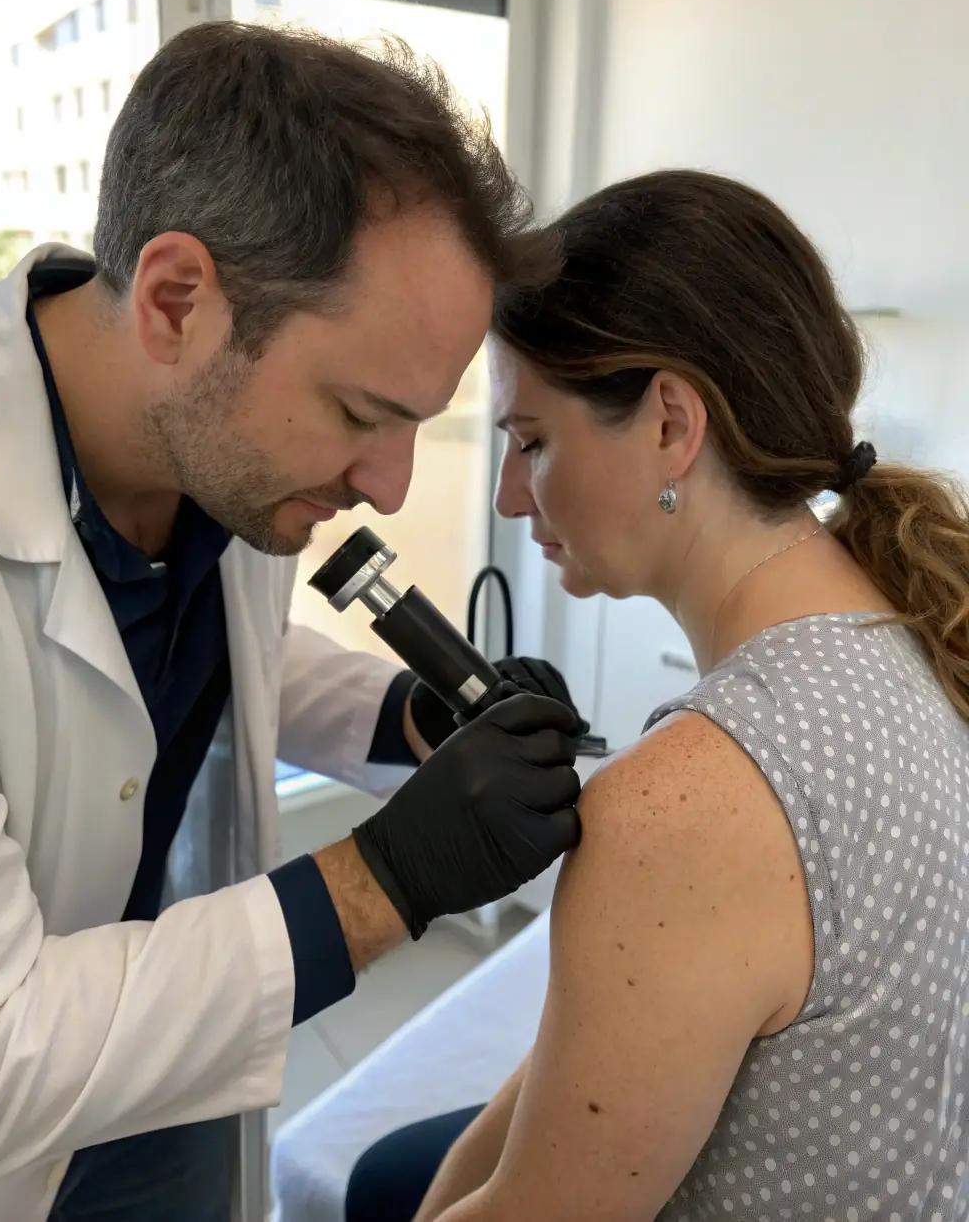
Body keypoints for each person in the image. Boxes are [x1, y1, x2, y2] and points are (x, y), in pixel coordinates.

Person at [0, 21, 586, 1222]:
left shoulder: (208, 452)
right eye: (360, 412)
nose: (390, 486)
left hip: (168, 1055)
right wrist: (389, 876)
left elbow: (213, 661)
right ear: (176, 301)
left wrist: (412, 718)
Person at [345, 170, 969, 1222]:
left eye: (532, 442)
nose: (508, 496)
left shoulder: (684, 802)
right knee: (392, 1178)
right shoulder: (911, 630)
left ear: (673, 423)